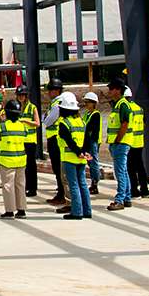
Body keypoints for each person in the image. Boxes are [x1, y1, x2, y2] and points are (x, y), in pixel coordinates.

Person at [104, 79, 142, 211]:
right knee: (124, 172)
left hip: (120, 143)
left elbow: (125, 124)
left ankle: (120, 200)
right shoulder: (119, 104)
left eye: (111, 89)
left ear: (118, 90)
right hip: (120, 143)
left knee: (120, 172)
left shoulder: (122, 105)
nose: (109, 91)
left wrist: (118, 140)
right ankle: (126, 198)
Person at [56, 92, 93, 220]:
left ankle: (77, 212)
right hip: (81, 159)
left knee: (73, 184)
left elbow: (69, 141)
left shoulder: (64, 123)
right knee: (82, 183)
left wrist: (78, 152)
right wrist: (85, 152)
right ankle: (87, 210)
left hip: (70, 158)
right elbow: (87, 139)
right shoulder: (81, 122)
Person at [44, 80, 79, 207]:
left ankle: (62, 195)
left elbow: (48, 121)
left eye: (50, 90)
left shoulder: (58, 103)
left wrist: (45, 119)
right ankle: (61, 193)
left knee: (58, 168)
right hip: (54, 138)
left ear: (57, 90)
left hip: (55, 138)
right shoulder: (56, 102)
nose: (48, 92)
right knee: (58, 168)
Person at [0, 98, 30, 219]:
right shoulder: (22, 126)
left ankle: (10, 211)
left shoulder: (2, 127)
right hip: (20, 160)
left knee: (8, 186)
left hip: (6, 161)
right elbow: (25, 137)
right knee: (20, 185)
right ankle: (21, 210)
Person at [16, 84, 41, 198]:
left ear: (26, 96)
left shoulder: (32, 107)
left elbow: (37, 123)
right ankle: (25, 186)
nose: (21, 97)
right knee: (22, 165)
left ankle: (32, 188)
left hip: (30, 141)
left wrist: (25, 121)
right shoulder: (16, 107)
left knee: (31, 165)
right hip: (20, 140)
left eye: (22, 95)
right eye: (19, 95)